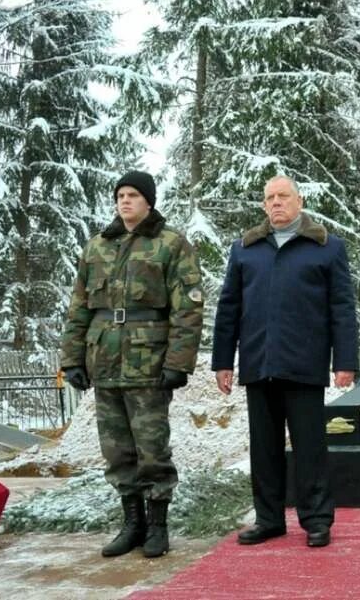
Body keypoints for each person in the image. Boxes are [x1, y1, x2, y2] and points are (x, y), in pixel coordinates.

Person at [60, 170, 204, 559]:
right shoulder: (97, 248)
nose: (125, 201)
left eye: (133, 195)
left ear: (149, 201)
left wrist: (179, 362)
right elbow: (79, 309)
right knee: (116, 451)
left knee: (152, 449)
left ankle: (158, 526)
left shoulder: (171, 245)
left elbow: (188, 309)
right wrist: (72, 358)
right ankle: (132, 524)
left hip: (149, 363)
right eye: (120, 195)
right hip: (104, 362)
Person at [212, 175, 358, 548]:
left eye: (283, 197)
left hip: (304, 364)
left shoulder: (326, 247)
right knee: (264, 448)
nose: (276, 203)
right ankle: (269, 519)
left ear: (299, 201)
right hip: (259, 362)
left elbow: (342, 309)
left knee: (310, 448)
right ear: (264, 205)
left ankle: (317, 521)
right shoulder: (246, 248)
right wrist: (223, 361)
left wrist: (345, 362)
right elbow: (228, 308)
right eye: (269, 198)